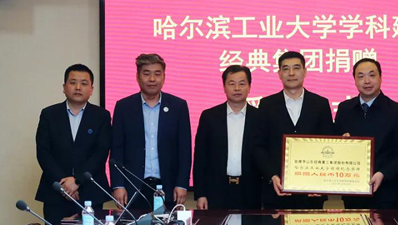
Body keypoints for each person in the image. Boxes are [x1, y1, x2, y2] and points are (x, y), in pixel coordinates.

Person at [110, 53, 192, 209]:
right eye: (146, 74)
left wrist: (182, 183)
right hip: (133, 188)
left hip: (168, 187)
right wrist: (118, 185)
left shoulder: (178, 106)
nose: (152, 79)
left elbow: (184, 149)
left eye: (157, 74)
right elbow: (117, 150)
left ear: (164, 77)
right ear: (137, 77)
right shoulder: (124, 107)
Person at [255, 51, 334, 209]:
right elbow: (259, 146)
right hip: (276, 191)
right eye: (286, 69)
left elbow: (328, 144)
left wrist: (322, 181)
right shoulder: (266, 105)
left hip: (312, 193)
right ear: (279, 74)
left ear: (305, 72)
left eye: (296, 68)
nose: (291, 73)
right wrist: (272, 176)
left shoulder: (320, 104)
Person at [35, 64, 111, 225]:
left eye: (84, 83)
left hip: (90, 192)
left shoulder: (101, 116)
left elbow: (101, 153)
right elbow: (43, 153)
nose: (78, 87)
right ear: (64, 87)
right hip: (55, 193)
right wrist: (64, 185)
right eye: (73, 82)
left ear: (91, 89)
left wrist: (77, 181)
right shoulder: (49, 114)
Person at [334, 58, 398, 209]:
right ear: (354, 80)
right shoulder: (345, 109)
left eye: (372, 75)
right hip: (352, 191)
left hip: (385, 192)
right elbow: (333, 145)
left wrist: (383, 173)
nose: (367, 81)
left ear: (380, 77)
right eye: (361, 76)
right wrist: (340, 144)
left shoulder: (397, 111)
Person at [193, 65, 261, 210]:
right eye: (231, 84)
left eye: (242, 84)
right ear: (224, 87)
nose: (237, 88)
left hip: (251, 192)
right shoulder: (209, 117)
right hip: (216, 191)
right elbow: (200, 158)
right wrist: (200, 194)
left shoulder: (260, 117)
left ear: (249, 87)